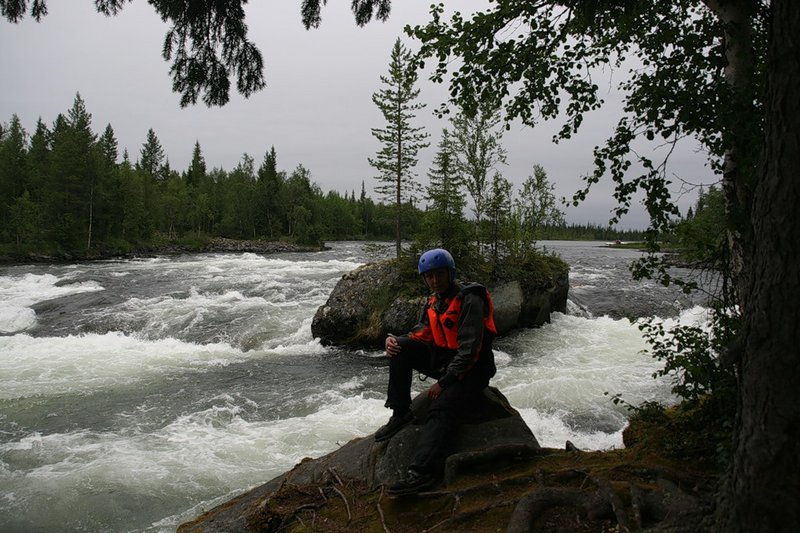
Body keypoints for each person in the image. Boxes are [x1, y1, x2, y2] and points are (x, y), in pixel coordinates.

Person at [375, 248, 497, 495]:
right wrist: (394, 340)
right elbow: (422, 333)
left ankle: (421, 472)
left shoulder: (469, 299)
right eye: (429, 276)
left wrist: (444, 383)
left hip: (474, 369)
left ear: (449, 273)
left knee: (440, 406)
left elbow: (470, 351)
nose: (434, 281)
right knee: (401, 348)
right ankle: (400, 413)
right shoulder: (434, 301)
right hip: (446, 360)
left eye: (439, 275)